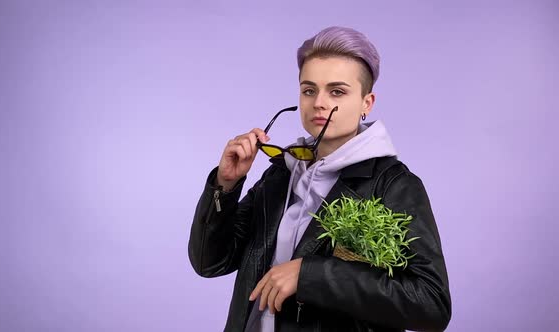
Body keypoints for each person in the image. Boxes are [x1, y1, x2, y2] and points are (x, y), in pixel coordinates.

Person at [188, 26, 451, 332]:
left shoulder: (393, 184)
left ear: (367, 102)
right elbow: (210, 263)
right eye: (309, 90)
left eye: (337, 91)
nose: (319, 102)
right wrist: (226, 184)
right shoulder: (281, 173)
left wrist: (310, 275)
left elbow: (431, 304)